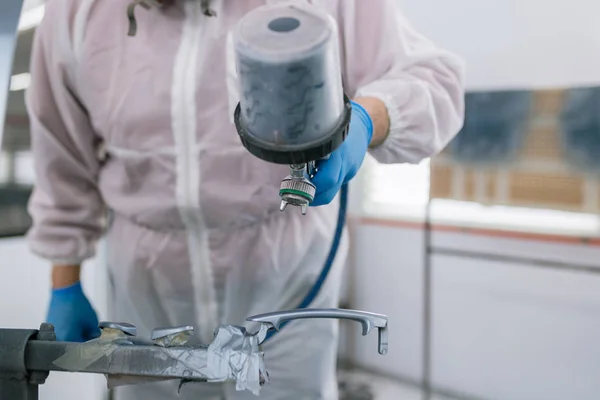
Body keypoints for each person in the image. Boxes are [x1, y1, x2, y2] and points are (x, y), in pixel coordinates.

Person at [26, 0, 465, 398]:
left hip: (287, 290)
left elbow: (433, 83)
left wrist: (369, 119)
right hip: (148, 299)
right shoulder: (76, 12)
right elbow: (61, 154)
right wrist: (64, 282)